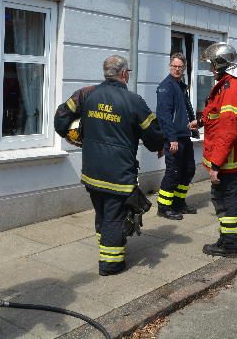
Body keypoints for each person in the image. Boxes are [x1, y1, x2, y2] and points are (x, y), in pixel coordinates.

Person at [54, 55, 164, 276]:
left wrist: (70, 135)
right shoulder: (133, 101)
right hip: (118, 173)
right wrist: (160, 145)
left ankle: (106, 247)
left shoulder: (86, 94)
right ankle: (110, 264)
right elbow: (153, 135)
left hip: (92, 172)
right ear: (124, 74)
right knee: (114, 217)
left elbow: (60, 119)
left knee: (102, 212)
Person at [200, 43, 237, 256]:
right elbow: (218, 113)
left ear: (222, 65)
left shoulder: (230, 89)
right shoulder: (235, 84)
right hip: (236, 156)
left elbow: (228, 129)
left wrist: (215, 164)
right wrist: (201, 121)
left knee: (225, 200)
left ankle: (229, 244)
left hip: (226, 158)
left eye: (213, 65)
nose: (211, 70)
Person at [155, 53, 199, 220]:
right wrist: (171, 138)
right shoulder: (166, 86)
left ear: (184, 68)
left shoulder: (180, 85)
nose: (177, 69)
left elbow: (185, 110)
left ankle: (179, 203)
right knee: (173, 172)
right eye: (174, 66)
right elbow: (164, 115)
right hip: (173, 139)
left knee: (188, 170)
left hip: (184, 136)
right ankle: (164, 207)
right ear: (170, 66)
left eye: (180, 67)